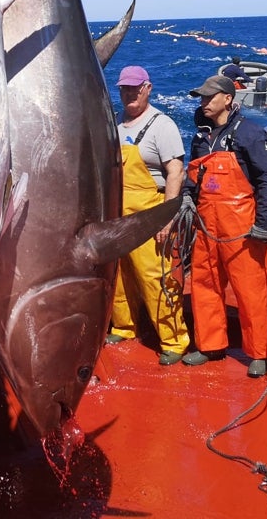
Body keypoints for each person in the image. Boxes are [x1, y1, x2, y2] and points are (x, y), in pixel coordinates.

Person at [181, 75, 267, 378]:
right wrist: (187, 196)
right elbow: (194, 175)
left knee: (251, 289)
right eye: (201, 98)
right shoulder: (200, 137)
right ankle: (210, 346)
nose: (203, 103)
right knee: (204, 284)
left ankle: (259, 353)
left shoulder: (250, 134)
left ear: (227, 98)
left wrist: (263, 224)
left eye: (209, 97)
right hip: (207, 225)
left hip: (242, 228)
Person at [107, 66, 191, 365]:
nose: (129, 93)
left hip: (149, 210)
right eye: (124, 88)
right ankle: (123, 326)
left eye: (135, 88)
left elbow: (175, 172)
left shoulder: (162, 125)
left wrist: (166, 218)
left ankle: (174, 340)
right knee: (119, 274)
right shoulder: (114, 122)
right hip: (118, 212)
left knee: (156, 278)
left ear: (148, 88)